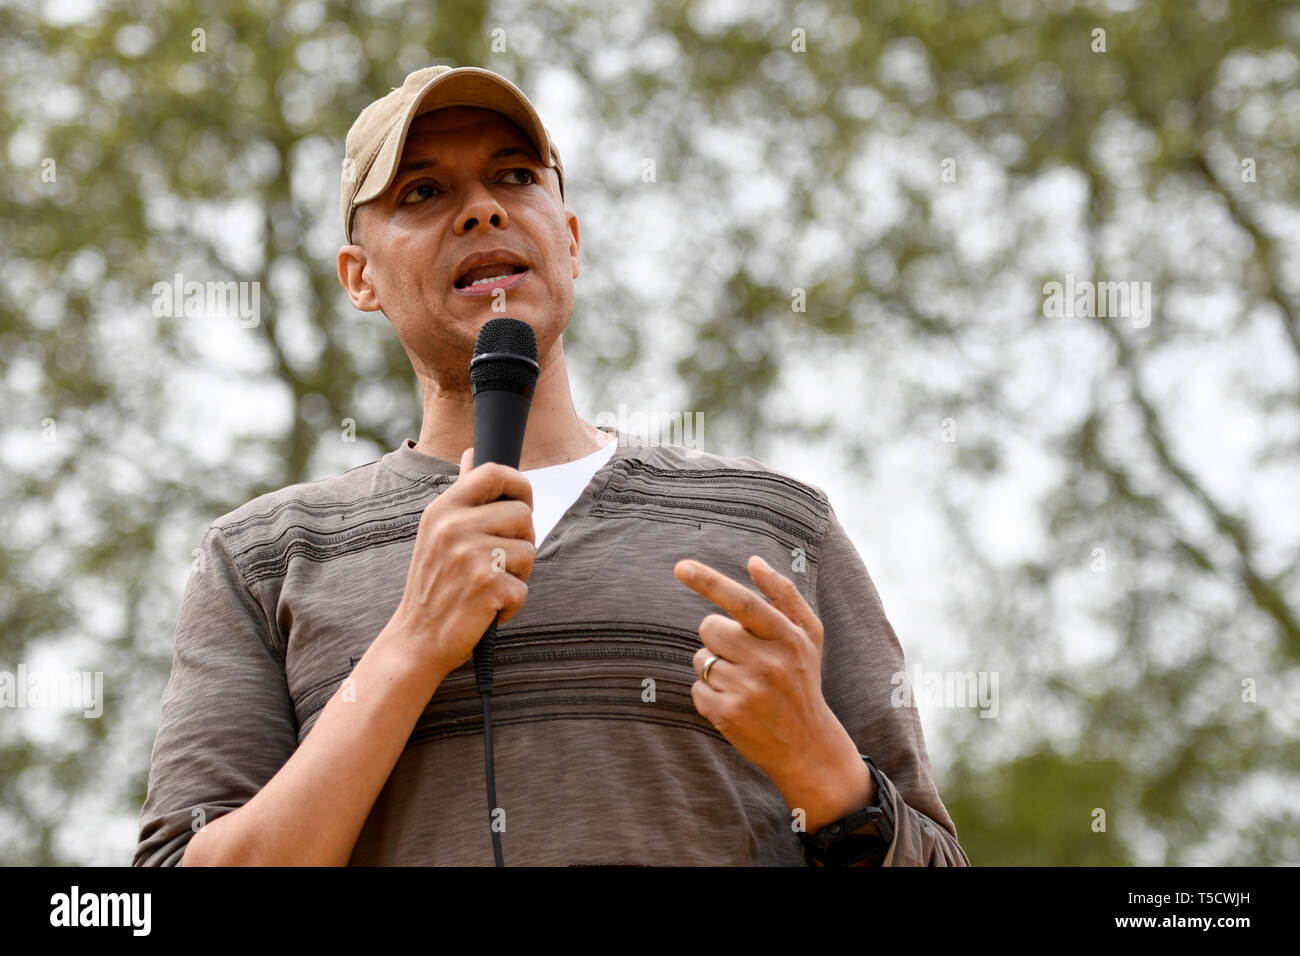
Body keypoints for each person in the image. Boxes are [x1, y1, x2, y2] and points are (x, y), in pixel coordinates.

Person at [133, 65, 970, 867]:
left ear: (569, 240)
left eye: (516, 177)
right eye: (423, 192)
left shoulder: (777, 526)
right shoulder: (263, 559)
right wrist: (411, 645)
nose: (483, 211)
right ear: (360, 279)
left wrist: (826, 774)